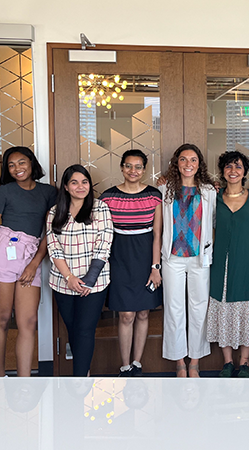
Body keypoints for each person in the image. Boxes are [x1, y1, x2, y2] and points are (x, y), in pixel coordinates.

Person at [0, 146, 57, 377]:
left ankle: (25, 379)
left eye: (21, 162)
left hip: (30, 255)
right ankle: (0, 377)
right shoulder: (3, 192)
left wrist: (34, 264)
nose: (17, 168)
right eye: (11, 165)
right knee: (1, 319)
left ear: (32, 163)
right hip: (3, 252)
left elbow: (50, 232)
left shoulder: (49, 193)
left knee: (28, 321)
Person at [99, 150, 162, 377]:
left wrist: (155, 267)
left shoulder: (155, 196)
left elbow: (157, 235)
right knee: (126, 314)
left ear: (144, 169)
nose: (133, 171)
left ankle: (138, 362)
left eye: (138, 167)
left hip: (146, 258)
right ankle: (124, 365)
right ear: (121, 167)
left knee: (144, 313)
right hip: (119, 258)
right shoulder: (107, 197)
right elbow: (103, 232)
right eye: (128, 166)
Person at [46, 165, 113, 377]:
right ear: (66, 186)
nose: (80, 186)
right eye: (74, 182)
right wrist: (69, 277)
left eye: (84, 182)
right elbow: (53, 247)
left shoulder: (100, 208)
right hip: (62, 282)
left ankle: (80, 380)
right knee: (73, 329)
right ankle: (85, 370)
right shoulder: (55, 212)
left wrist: (90, 279)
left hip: (94, 283)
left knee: (85, 329)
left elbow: (105, 242)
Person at [159, 144, 216, 377]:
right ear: (177, 163)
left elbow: (213, 223)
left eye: (193, 160)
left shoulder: (209, 191)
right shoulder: (164, 189)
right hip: (172, 256)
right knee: (174, 308)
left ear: (199, 164)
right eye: (183, 160)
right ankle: (179, 360)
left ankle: (195, 359)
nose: (188, 164)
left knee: (199, 307)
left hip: (199, 256)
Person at [207, 151, 249, 378]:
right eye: (228, 167)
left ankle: (245, 363)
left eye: (238, 167)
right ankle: (228, 362)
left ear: (245, 171)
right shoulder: (214, 196)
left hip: (247, 261)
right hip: (220, 261)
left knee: (246, 309)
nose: (233, 171)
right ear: (222, 172)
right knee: (223, 308)